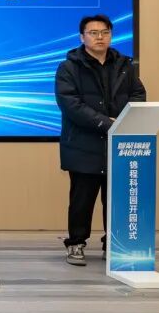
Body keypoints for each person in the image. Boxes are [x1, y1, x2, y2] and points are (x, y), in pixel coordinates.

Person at [55, 14, 146, 266]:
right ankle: (76, 243)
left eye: (105, 32)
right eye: (93, 33)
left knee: (115, 198)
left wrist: (124, 120)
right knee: (82, 200)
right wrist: (107, 123)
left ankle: (112, 243)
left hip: (117, 145)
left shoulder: (124, 65)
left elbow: (138, 94)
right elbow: (70, 104)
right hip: (82, 144)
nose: (100, 37)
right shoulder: (69, 67)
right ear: (82, 37)